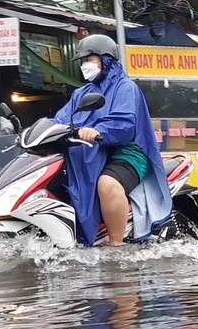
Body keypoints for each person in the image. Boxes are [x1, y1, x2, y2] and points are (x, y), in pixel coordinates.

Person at [53, 34, 171, 246]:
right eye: (83, 61)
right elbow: (60, 119)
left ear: (105, 59)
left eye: (89, 59)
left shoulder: (126, 88)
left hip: (128, 151)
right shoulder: (81, 93)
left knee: (107, 184)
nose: (84, 65)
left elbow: (124, 124)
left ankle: (116, 246)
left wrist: (98, 131)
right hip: (92, 152)